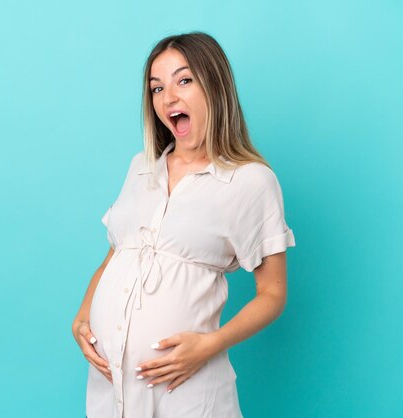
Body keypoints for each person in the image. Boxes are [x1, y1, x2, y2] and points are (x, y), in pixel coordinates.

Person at [72, 31, 296, 418]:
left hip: (186, 390)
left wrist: (209, 346)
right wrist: (83, 314)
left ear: (215, 86)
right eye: (157, 88)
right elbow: (115, 256)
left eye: (184, 80)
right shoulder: (141, 167)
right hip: (114, 391)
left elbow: (272, 294)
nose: (168, 98)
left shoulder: (250, 181)